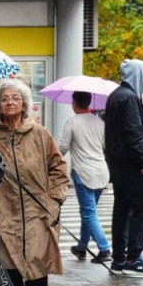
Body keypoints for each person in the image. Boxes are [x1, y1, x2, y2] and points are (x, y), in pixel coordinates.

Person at [0, 79, 69, 286]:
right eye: (5, 98)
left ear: (24, 104)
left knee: (37, 263)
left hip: (37, 210)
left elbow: (59, 168)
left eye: (15, 98)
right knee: (10, 267)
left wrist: (53, 200)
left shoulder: (40, 134)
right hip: (2, 211)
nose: (10, 102)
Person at [103, 59, 143, 276]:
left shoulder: (116, 96)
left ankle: (119, 258)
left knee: (122, 211)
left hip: (118, 165)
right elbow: (134, 133)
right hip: (131, 166)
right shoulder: (129, 99)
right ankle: (133, 257)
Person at [57, 91, 111, 263]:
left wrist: (53, 161)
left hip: (83, 172)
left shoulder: (72, 122)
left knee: (89, 213)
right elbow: (105, 145)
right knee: (89, 211)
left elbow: (63, 147)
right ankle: (81, 247)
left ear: (74, 103)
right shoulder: (100, 122)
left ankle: (104, 249)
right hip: (101, 171)